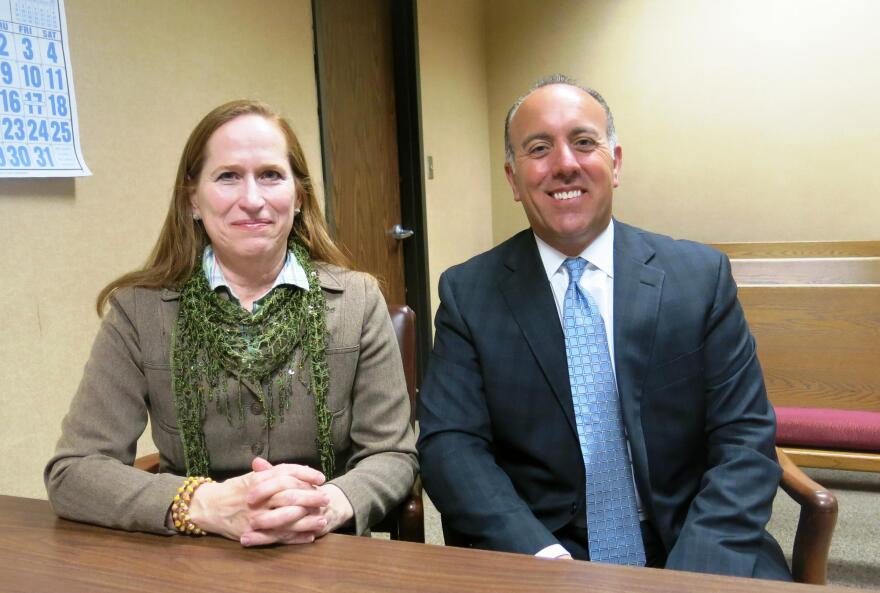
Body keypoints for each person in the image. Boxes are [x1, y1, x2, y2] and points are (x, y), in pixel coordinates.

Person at [417, 75, 791, 580]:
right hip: (541, 549)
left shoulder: (699, 278)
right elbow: (451, 446)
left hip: (693, 538)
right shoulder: (468, 293)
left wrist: (693, 572)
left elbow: (744, 437)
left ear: (614, 164)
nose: (564, 163)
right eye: (539, 148)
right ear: (512, 178)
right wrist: (542, 558)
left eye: (584, 142)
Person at [45, 100, 417, 546]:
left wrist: (327, 505)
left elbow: (393, 454)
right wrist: (206, 504)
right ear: (193, 200)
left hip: (322, 545)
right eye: (227, 177)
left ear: (298, 197)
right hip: (190, 549)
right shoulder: (138, 311)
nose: (252, 199)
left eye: (270, 175)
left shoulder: (358, 300)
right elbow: (74, 471)